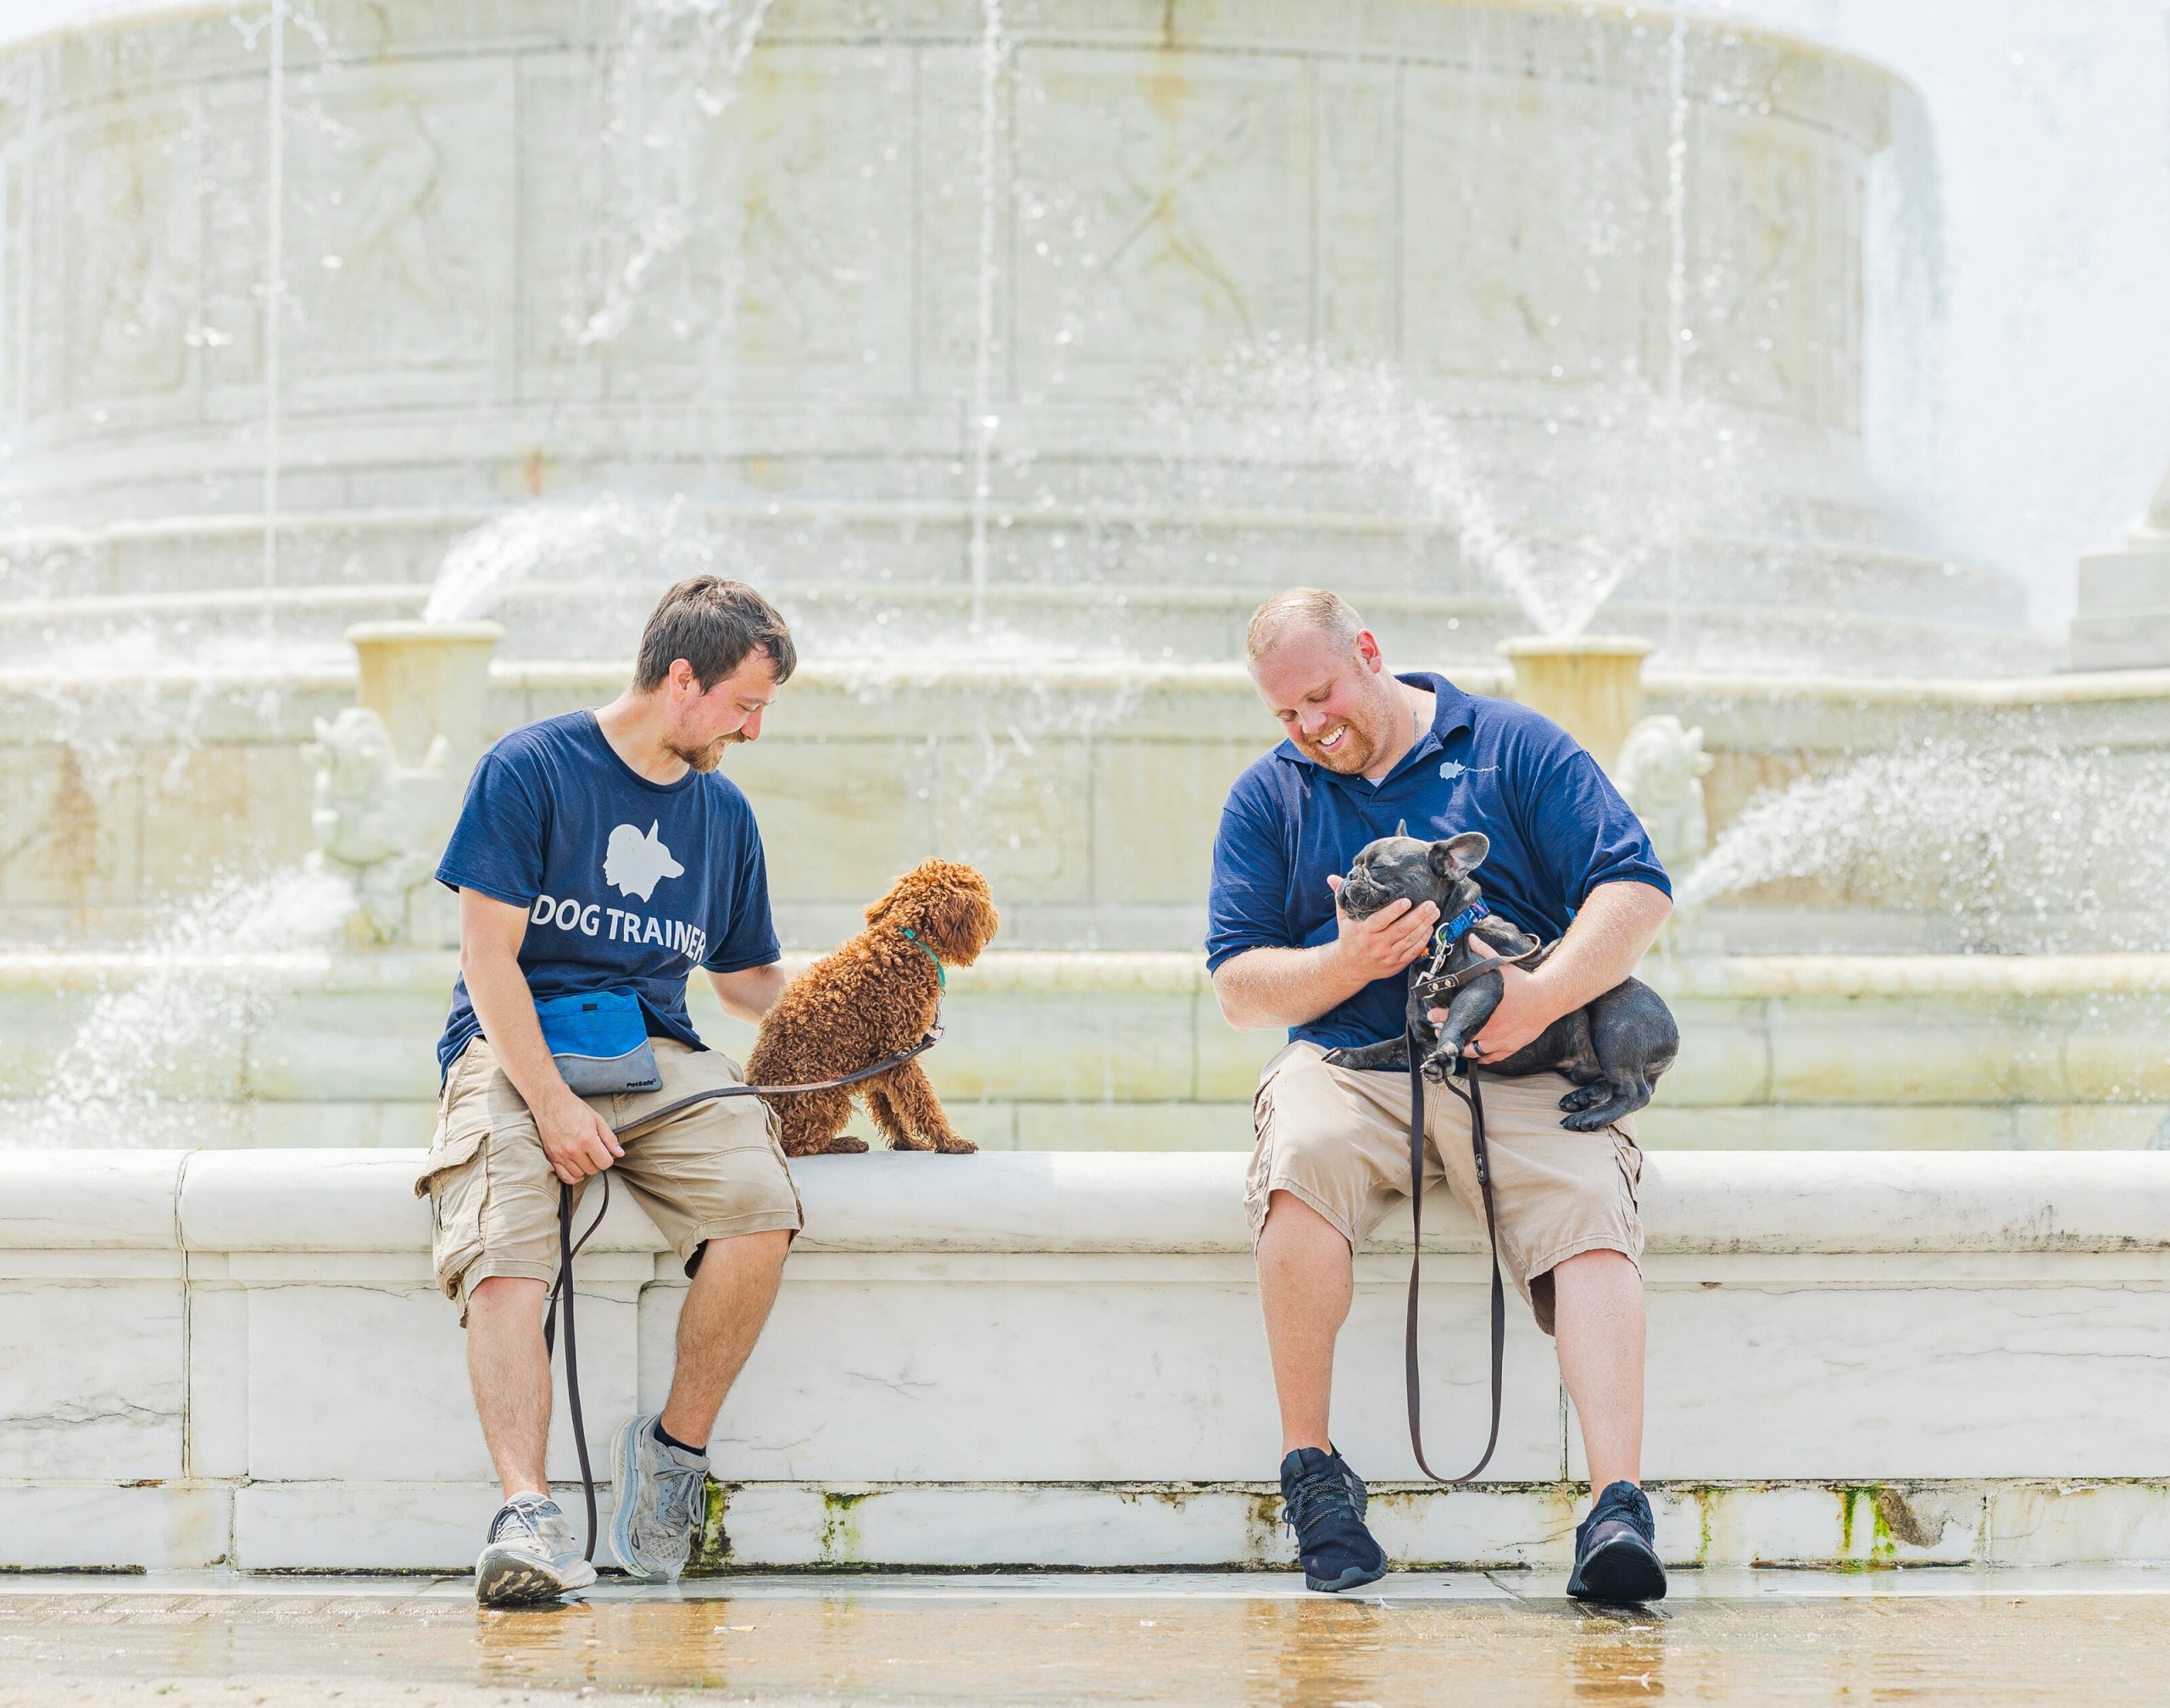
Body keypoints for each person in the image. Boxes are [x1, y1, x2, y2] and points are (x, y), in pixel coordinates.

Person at [1207, 588, 1674, 1603]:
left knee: (1589, 1205)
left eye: (1321, 696)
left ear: (1368, 651)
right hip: (1351, 1063)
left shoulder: (1512, 746)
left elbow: (1635, 887)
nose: (1308, 727)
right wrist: (1344, 962)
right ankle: (1313, 1474)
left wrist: (1541, 993)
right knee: (1298, 1169)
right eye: (1285, 713)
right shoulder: (1268, 793)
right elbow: (1239, 986)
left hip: (1515, 1057)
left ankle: (1617, 1507)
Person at [415, 576, 804, 1606]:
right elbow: (487, 957)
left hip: (654, 1049)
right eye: (744, 703)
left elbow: (744, 979)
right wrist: (548, 1104)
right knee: (502, 1251)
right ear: (683, 678)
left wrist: (867, 999)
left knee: (762, 1209)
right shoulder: (532, 767)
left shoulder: (723, 811)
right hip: (515, 1040)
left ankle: (674, 1452)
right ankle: (528, 1511)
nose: (753, 729)